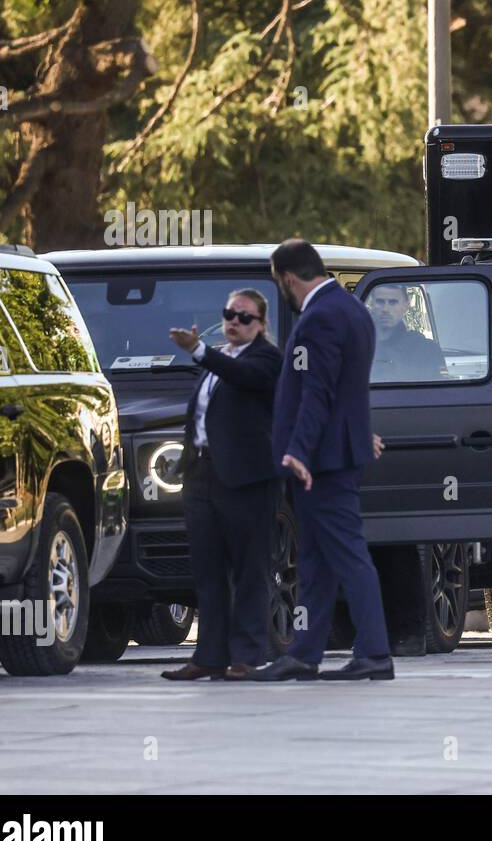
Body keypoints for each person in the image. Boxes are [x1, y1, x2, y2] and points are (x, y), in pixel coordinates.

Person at [250, 239, 393, 682]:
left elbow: (318, 391)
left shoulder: (319, 317)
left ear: (287, 278)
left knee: (348, 554)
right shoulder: (353, 311)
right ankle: (305, 651)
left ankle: (374, 651)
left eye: (283, 286)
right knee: (314, 562)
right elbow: (350, 387)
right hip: (335, 453)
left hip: (321, 463)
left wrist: (298, 450)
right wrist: (357, 432)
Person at [162, 289, 282, 682]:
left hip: (246, 479)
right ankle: (209, 655)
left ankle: (247, 655)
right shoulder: (218, 358)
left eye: (245, 317)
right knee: (207, 570)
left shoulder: (265, 358)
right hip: (202, 475)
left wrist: (199, 350)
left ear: (261, 325)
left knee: (250, 569)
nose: (234, 321)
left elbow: (247, 379)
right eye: (230, 313)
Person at [367, 282, 447, 382]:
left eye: (393, 302)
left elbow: (439, 392)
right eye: (380, 302)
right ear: (372, 305)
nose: (385, 309)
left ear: (406, 305)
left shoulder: (426, 350)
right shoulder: (360, 346)